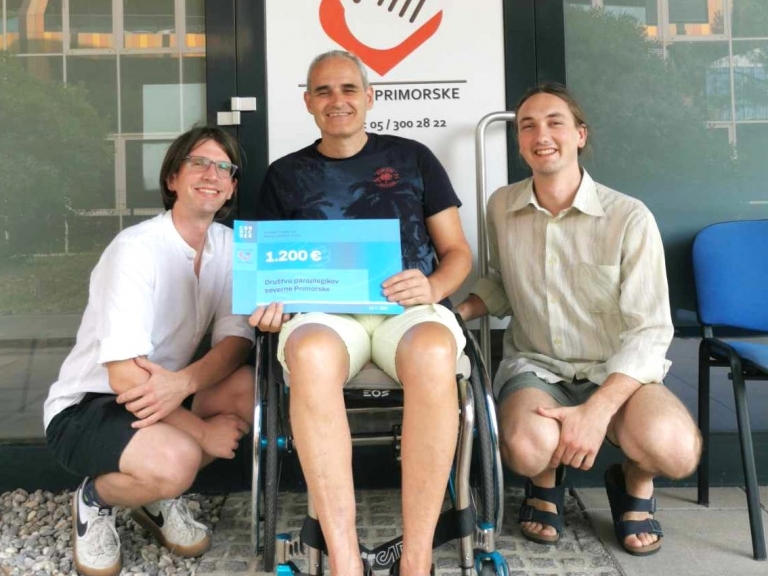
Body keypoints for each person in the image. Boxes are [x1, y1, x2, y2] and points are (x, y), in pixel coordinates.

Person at [249, 50, 472, 576]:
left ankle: (416, 558)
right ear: (307, 102)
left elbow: (458, 253)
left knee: (434, 351)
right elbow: (265, 274)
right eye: (323, 91)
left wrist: (433, 285)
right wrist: (267, 305)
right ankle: (345, 560)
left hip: (406, 308)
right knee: (307, 353)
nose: (337, 100)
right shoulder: (285, 175)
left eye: (348, 89)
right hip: (326, 315)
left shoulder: (413, 157)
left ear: (369, 97)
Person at [456, 84, 701, 557]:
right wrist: (456, 312)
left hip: (616, 371)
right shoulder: (502, 207)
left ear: (580, 135)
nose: (541, 135)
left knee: (677, 451)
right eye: (528, 126)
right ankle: (545, 478)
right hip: (537, 365)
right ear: (519, 141)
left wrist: (598, 410)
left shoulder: (628, 217)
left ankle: (634, 479)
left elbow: (651, 331)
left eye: (555, 123)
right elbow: (501, 283)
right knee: (526, 448)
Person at [43, 126, 255, 576]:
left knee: (244, 389)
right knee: (178, 461)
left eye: (224, 167)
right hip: (91, 406)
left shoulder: (232, 246)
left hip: (164, 393)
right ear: (172, 178)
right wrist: (202, 434)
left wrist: (185, 383)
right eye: (199, 163)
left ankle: (153, 490)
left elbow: (236, 341)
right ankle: (97, 498)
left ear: (232, 187)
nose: (212, 174)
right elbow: (123, 376)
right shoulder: (136, 249)